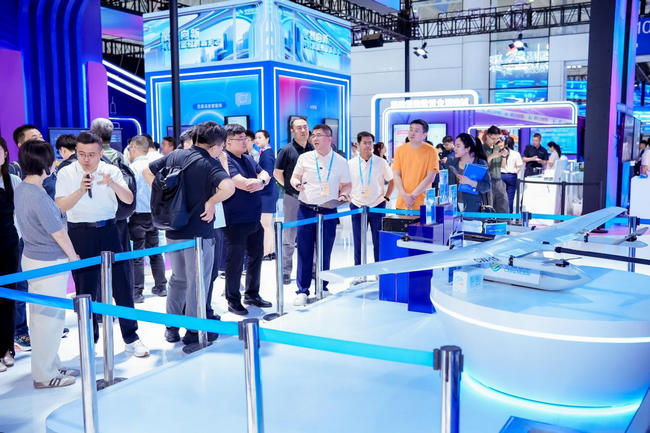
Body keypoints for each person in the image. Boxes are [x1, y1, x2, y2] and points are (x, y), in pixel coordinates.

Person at [55, 131, 149, 357]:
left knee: (122, 284)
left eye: (91, 154)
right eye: (81, 154)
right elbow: (61, 206)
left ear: (100, 153)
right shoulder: (66, 172)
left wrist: (113, 184)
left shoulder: (111, 170)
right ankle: (90, 340)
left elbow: (129, 199)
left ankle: (131, 337)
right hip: (80, 233)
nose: (86, 159)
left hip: (109, 230)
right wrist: (80, 190)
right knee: (85, 289)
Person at [145, 122, 235, 344]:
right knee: (197, 282)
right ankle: (194, 331)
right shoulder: (210, 163)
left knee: (177, 279)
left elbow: (147, 171)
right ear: (215, 146)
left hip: (173, 229)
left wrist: (162, 194)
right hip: (199, 233)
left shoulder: (176, 155)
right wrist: (211, 202)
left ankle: (172, 327)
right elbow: (229, 187)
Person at [14, 140, 80, 388]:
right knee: (49, 319)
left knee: (42, 316)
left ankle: (51, 364)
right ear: (45, 164)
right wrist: (73, 256)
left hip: (35, 258)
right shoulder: (37, 195)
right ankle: (44, 374)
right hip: (48, 263)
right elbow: (58, 233)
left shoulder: (23, 188)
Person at [290, 124, 351, 306]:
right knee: (304, 250)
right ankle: (302, 290)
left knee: (325, 250)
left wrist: (343, 195)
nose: (314, 138)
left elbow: (346, 184)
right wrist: (296, 184)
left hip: (328, 211)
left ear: (329, 139)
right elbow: (294, 177)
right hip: (306, 209)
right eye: (313, 135)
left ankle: (322, 287)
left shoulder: (340, 161)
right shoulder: (305, 158)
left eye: (319, 135)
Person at [221, 124, 273, 315]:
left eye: (245, 138)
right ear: (228, 142)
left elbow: (265, 174)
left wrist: (260, 181)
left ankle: (252, 294)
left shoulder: (248, 158)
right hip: (235, 220)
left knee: (255, 258)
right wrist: (258, 182)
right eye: (240, 139)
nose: (245, 142)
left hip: (253, 217)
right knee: (235, 263)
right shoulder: (224, 159)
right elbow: (240, 183)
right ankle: (233, 299)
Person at [127, 136, 167, 303]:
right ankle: (161, 286)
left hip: (137, 216)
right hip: (154, 214)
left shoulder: (131, 168)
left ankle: (137, 292)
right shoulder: (154, 166)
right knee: (155, 251)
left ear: (134, 148)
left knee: (137, 254)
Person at [274, 117, 313, 284]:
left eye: (305, 127)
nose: (303, 130)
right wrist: (289, 187)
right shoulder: (286, 150)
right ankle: (285, 272)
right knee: (289, 237)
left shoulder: (313, 149)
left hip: (312, 199)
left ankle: (312, 269)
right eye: (299, 128)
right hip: (292, 198)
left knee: (312, 235)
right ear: (292, 131)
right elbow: (277, 173)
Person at [348, 132, 393, 267]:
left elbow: (391, 180)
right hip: (357, 205)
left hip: (377, 205)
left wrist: (386, 197)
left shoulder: (381, 162)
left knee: (378, 240)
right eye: (365, 143)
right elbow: (344, 182)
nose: (368, 146)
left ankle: (378, 270)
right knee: (358, 240)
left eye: (370, 143)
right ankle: (359, 270)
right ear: (358, 144)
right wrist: (349, 199)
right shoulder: (350, 163)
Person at [0, 137, 20, 372]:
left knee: (8, 298)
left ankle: (7, 348)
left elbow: (20, 214)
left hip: (9, 244)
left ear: (5, 154)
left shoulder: (13, 180)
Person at [392, 119, 439, 210]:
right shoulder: (400, 150)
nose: (412, 133)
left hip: (423, 203)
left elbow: (430, 177)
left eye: (416, 131)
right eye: (411, 129)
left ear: (424, 135)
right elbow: (396, 175)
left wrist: (412, 196)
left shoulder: (431, 151)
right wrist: (404, 195)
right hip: (402, 202)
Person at [447, 133, 491, 212]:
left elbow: (487, 186)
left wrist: (471, 182)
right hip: (453, 207)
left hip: (473, 208)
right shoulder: (451, 162)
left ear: (467, 149)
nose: (454, 149)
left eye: (458, 146)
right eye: (455, 146)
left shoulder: (479, 163)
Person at [255, 129, 279, 260]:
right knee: (267, 224)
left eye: (260, 137)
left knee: (265, 223)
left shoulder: (267, 154)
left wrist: (258, 182)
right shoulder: (266, 152)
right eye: (256, 138)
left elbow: (268, 173)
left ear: (267, 138)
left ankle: (266, 252)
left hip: (267, 192)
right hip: (268, 192)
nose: (256, 140)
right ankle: (270, 251)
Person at [483, 126, 509, 213]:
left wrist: (504, 156)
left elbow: (503, 166)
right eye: (493, 138)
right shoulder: (481, 149)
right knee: (489, 206)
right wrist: (491, 156)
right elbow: (481, 165)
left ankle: (503, 221)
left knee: (503, 206)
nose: (495, 141)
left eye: (497, 138)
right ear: (487, 136)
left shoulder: (497, 148)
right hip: (487, 181)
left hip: (499, 181)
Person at [500, 137, 523, 213]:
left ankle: (501, 215)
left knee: (501, 197)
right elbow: (519, 167)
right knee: (510, 198)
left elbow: (501, 166)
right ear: (513, 144)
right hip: (511, 176)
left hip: (502, 175)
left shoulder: (501, 152)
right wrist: (515, 172)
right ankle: (509, 216)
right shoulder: (516, 154)